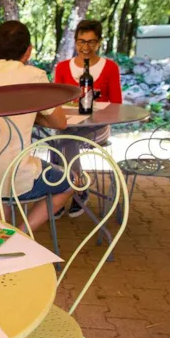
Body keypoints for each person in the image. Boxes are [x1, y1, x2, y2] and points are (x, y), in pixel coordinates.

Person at [0, 21, 74, 231]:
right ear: (28, 51)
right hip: (17, 176)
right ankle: (22, 234)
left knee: (4, 188)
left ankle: (4, 235)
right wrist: (30, 115)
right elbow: (60, 123)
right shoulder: (34, 77)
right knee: (70, 182)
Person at [53, 19, 123, 217]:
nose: (85, 47)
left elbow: (117, 104)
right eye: (81, 41)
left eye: (91, 42)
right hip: (68, 125)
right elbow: (57, 101)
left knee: (65, 141)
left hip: (98, 127)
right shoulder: (62, 68)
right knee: (58, 137)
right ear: (75, 42)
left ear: (99, 43)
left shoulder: (110, 68)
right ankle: (66, 189)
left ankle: (75, 190)